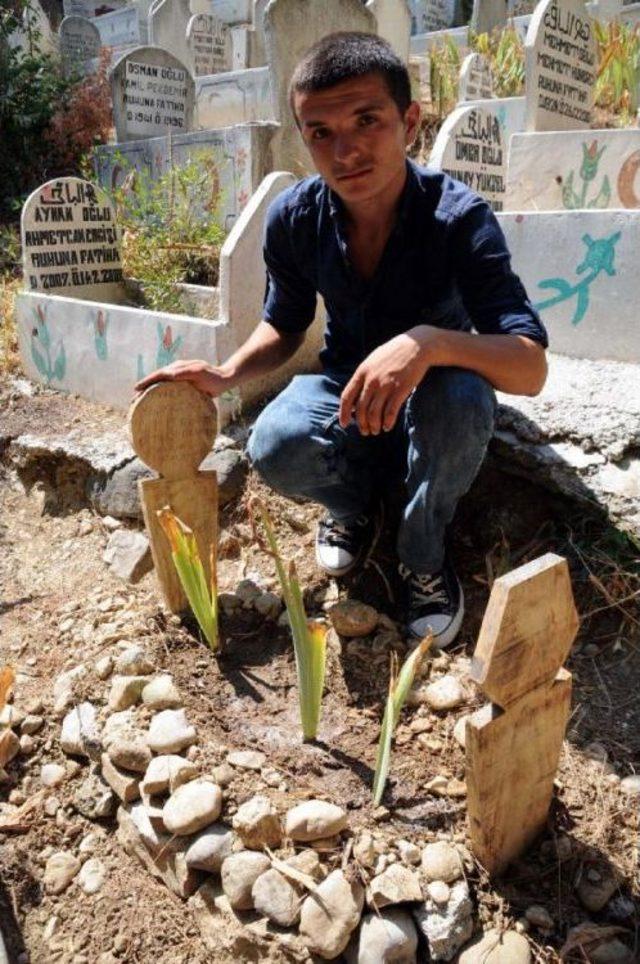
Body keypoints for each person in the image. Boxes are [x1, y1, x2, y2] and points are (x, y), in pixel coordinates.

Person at [136, 32, 548, 649]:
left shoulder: (459, 219)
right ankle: (357, 509)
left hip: (436, 398)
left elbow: (530, 368)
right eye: (320, 132)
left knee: (463, 400)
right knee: (274, 443)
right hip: (346, 392)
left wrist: (428, 343)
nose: (345, 150)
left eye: (367, 120)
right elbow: (284, 324)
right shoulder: (296, 219)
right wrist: (226, 375)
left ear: (410, 121)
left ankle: (422, 551)